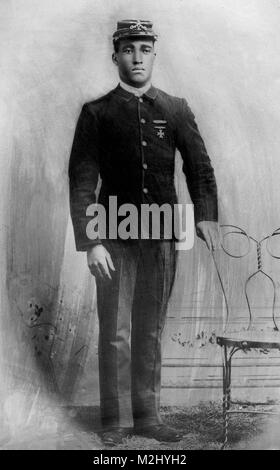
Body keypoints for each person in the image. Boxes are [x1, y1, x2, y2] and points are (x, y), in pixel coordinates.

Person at [68, 19, 220, 446]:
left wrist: (206, 215)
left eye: (145, 48)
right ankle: (115, 423)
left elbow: (200, 167)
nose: (137, 57)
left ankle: (148, 419)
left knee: (150, 327)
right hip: (113, 236)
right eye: (129, 48)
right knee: (115, 328)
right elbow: (82, 180)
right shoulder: (96, 113)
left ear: (155, 54)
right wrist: (91, 241)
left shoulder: (175, 108)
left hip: (161, 237)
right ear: (115, 54)